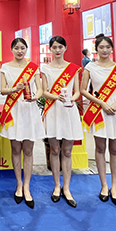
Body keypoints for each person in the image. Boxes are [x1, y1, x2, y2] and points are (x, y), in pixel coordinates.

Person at [81, 33, 116, 207]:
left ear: (112, 49)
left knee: (115, 149)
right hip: (99, 110)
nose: (104, 50)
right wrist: (101, 103)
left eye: (107, 47)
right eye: (101, 47)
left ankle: (115, 187)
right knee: (100, 148)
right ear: (96, 49)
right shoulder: (90, 67)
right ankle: (104, 185)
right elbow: (83, 90)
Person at [0, 37, 44, 209]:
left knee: (28, 150)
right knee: (16, 149)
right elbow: (3, 90)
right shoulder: (5, 67)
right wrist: (14, 89)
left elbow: (40, 89)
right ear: (12, 49)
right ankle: (18, 184)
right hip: (14, 111)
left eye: (22, 48)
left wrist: (36, 97)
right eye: (16, 48)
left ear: (26, 49)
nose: (20, 51)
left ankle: (27, 186)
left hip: (29, 110)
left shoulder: (33, 68)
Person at [40, 36, 82, 208]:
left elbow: (78, 91)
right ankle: (57, 186)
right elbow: (43, 91)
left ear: (65, 48)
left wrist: (72, 98)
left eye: (60, 47)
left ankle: (67, 188)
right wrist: (55, 97)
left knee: (67, 151)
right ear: (50, 49)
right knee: (55, 150)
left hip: (68, 110)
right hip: (52, 110)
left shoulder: (73, 68)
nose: (57, 50)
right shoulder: (45, 69)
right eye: (54, 47)